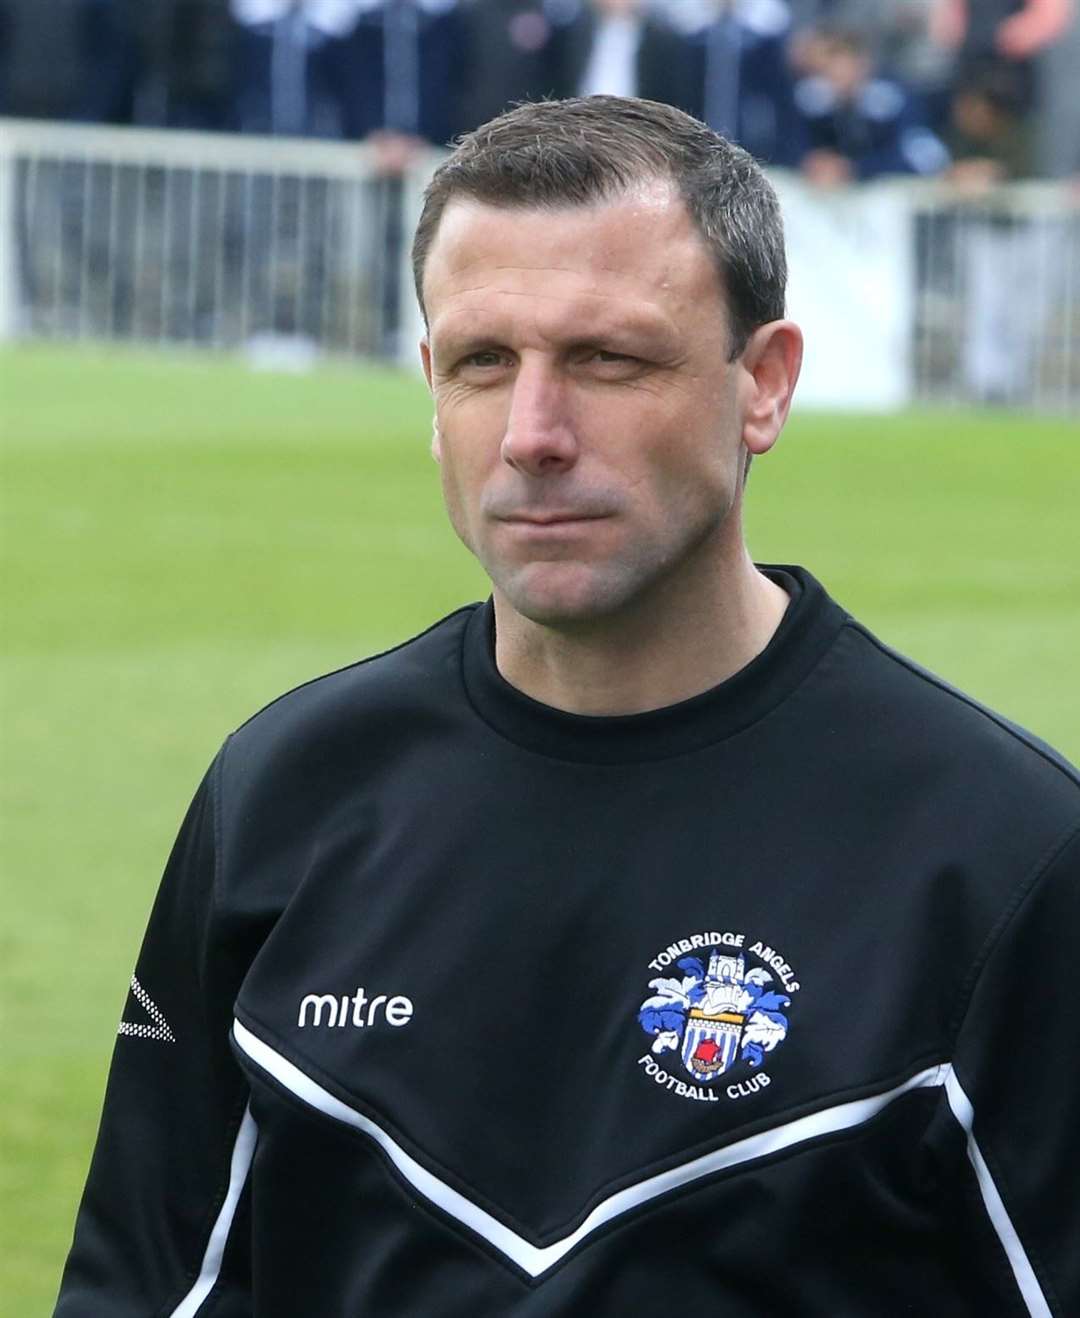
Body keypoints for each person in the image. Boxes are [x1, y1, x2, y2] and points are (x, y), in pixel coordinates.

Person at [54, 95, 1078, 1315]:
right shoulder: (284, 791)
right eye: (486, 363)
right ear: (432, 388)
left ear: (764, 384)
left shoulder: (1001, 846)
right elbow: (142, 1284)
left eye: (609, 360)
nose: (534, 434)